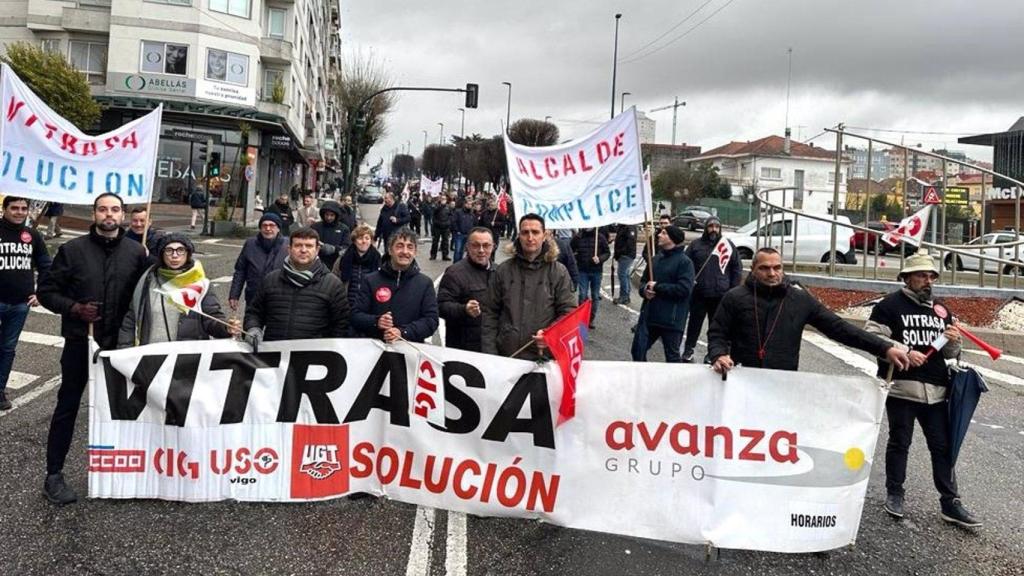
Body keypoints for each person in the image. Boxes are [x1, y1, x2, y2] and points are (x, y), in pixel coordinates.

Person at [37, 193, 150, 505]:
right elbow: (46, 292)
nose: (108, 215)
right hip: (80, 343)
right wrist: (74, 308)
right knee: (68, 407)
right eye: (103, 209)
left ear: (123, 215)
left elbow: (150, 293)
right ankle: (54, 475)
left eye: (115, 209)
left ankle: (124, 470)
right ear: (95, 214)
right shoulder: (72, 251)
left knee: (125, 409)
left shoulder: (136, 252)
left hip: (120, 347)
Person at [864, 252, 980, 528]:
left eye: (931, 276)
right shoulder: (889, 306)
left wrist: (954, 340)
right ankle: (895, 493)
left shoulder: (940, 309)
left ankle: (950, 502)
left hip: (937, 390)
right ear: (906, 277)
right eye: (921, 275)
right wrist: (905, 351)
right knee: (899, 442)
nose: (927, 281)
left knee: (942, 447)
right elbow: (871, 337)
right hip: (902, 388)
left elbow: (949, 351)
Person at [708, 247, 910, 375]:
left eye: (777, 267)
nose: (772, 273)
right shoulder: (734, 297)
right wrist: (718, 355)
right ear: (753, 269)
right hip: (742, 380)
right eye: (764, 268)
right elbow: (718, 333)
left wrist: (884, 348)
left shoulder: (799, 300)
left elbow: (839, 328)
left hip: (784, 383)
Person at [118, 233, 241, 347]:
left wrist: (226, 327)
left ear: (188, 254)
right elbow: (132, 319)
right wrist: (124, 350)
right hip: (151, 358)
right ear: (162, 254)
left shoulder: (200, 284)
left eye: (180, 250)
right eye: (169, 250)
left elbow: (211, 319)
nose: (175, 255)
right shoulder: (147, 281)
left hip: (186, 360)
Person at [481, 214, 576, 360]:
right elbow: (489, 313)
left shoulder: (558, 272)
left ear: (544, 235)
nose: (530, 237)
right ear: (519, 235)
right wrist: (490, 355)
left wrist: (550, 334)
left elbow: (569, 312)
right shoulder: (503, 270)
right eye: (525, 232)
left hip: (542, 358)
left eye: (535, 232)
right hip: (507, 356)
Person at [244, 227, 350, 343]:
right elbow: (254, 312)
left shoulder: (332, 284)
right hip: (273, 356)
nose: (303, 250)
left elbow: (342, 324)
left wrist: (329, 352)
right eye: (298, 245)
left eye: (309, 246)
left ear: (317, 250)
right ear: (289, 249)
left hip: (314, 357)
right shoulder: (271, 279)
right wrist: (253, 328)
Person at [0, 196, 52, 410]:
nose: (19, 212)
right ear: (4, 209)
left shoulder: (32, 235)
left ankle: (0, 390)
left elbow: (46, 265)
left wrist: (41, 293)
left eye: (23, 208)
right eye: (14, 208)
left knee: (7, 349)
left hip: (20, 304)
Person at [352, 227, 438, 343]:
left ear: (415, 252)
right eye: (399, 246)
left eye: (410, 247)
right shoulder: (370, 280)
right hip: (375, 351)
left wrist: (403, 332)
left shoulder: (424, 283)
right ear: (390, 250)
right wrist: (376, 321)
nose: (405, 251)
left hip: (410, 352)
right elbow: (355, 315)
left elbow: (431, 321)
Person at [630, 225, 694, 362]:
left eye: (664, 233)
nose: (659, 235)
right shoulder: (655, 260)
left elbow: (684, 289)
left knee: (672, 358)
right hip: (650, 316)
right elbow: (643, 281)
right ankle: (645, 379)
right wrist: (644, 291)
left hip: (671, 320)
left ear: (672, 239)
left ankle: (673, 383)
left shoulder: (685, 263)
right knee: (637, 351)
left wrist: (658, 287)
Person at [681, 216, 741, 363]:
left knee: (716, 328)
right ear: (706, 228)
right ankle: (689, 349)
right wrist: (689, 281)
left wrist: (732, 291)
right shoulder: (695, 245)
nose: (713, 229)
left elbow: (736, 269)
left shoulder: (727, 245)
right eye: (710, 226)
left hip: (721, 295)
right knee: (694, 324)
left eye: (716, 226)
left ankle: (712, 353)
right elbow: (685, 265)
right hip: (699, 294)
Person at [437, 227, 495, 352]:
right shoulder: (454, 273)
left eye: (486, 245)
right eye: (475, 245)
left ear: (493, 247)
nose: (481, 250)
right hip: (463, 349)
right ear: (467, 247)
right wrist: (464, 309)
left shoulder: (499, 271)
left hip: (490, 346)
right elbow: (441, 306)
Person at [228, 213, 288, 311]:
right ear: (260, 228)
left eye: (272, 225)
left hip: (280, 298)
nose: (268, 229)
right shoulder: (250, 244)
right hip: (253, 296)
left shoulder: (287, 245)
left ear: (278, 228)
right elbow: (240, 271)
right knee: (252, 325)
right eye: (264, 225)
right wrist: (234, 294)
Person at [332, 224, 382, 308]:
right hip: (346, 304)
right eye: (360, 238)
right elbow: (333, 280)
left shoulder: (377, 259)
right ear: (354, 241)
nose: (364, 241)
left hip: (368, 305)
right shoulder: (343, 258)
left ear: (371, 241)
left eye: (367, 238)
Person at [571, 228, 611, 329]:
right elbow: (570, 251)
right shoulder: (578, 237)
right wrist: (576, 258)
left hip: (596, 271)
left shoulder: (600, 237)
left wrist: (600, 259)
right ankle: (581, 318)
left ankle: (590, 319)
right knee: (582, 295)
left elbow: (607, 252)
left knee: (595, 295)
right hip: (582, 271)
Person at [311, 200, 351, 270]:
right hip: (317, 262)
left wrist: (334, 249)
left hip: (335, 264)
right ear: (323, 214)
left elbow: (347, 247)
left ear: (336, 215)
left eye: (332, 215)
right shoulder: (315, 227)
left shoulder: (344, 229)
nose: (329, 217)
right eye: (327, 214)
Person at [611, 224, 637, 305]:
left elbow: (630, 243)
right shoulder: (623, 226)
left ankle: (624, 296)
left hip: (626, 255)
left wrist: (620, 252)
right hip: (625, 255)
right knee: (625, 275)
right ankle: (626, 296)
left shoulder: (629, 227)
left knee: (622, 275)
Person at [430, 195, 452, 261]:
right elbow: (434, 212)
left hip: (445, 227)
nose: (443, 200)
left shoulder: (448, 207)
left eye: (444, 199)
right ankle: (433, 255)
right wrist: (440, 205)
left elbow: (451, 216)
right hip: (437, 227)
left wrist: (448, 223)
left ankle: (445, 255)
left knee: (445, 242)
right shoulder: (437, 206)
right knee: (435, 242)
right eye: (442, 199)